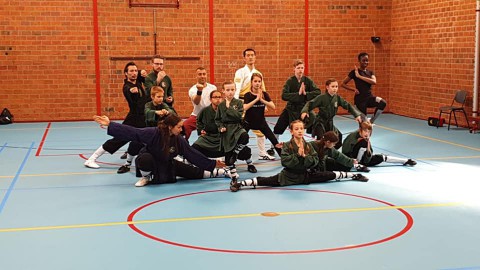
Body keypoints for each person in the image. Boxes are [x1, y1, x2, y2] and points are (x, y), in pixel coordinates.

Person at [230, 120, 368, 192]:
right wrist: (298, 156)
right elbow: (285, 162)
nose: (300, 131)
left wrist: (305, 157)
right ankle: (241, 184)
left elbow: (314, 161)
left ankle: (354, 175)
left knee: (329, 175)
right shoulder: (287, 146)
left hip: (306, 176)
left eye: (301, 128)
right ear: (291, 131)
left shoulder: (308, 146)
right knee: (266, 180)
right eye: (296, 129)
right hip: (289, 177)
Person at [92, 114, 227, 187]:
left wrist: (212, 164)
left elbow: (192, 155)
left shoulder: (178, 139)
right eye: (179, 127)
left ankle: (220, 173)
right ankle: (146, 177)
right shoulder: (153, 133)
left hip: (167, 163)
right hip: (150, 161)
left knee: (193, 172)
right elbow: (133, 132)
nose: (181, 130)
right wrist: (110, 124)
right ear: (170, 127)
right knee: (144, 159)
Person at [84, 62, 148, 173]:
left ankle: (128, 162)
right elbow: (129, 93)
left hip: (143, 118)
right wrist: (132, 92)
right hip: (133, 119)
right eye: (131, 71)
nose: (134, 73)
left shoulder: (138, 81)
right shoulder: (127, 87)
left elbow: (142, 77)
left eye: (135, 71)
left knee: (143, 140)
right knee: (118, 140)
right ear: (126, 74)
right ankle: (91, 159)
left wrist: (141, 71)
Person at [192, 90, 257, 173]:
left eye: (219, 97)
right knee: (195, 148)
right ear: (211, 99)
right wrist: (201, 130)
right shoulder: (205, 111)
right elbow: (198, 120)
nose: (218, 99)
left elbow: (238, 119)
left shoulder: (226, 109)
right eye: (215, 97)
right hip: (210, 137)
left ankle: (250, 164)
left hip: (226, 137)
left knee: (244, 149)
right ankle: (202, 164)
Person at [268, 59, 321, 155]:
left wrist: (305, 94)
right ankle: (273, 147)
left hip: (303, 110)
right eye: (298, 68)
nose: (300, 70)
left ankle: (308, 146)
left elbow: (318, 92)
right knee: (278, 127)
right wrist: (298, 94)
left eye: (302, 68)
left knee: (307, 126)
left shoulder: (308, 81)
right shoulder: (290, 81)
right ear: (294, 69)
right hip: (290, 109)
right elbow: (284, 95)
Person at [234, 48, 273, 160]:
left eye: (252, 55)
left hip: (256, 103)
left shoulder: (258, 73)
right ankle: (233, 153)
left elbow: (262, 89)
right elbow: (236, 89)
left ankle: (262, 153)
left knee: (260, 129)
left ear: (255, 57)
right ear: (244, 58)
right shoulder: (240, 72)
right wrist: (236, 104)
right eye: (248, 55)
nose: (250, 57)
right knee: (239, 129)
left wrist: (264, 104)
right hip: (243, 102)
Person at [301, 78, 362, 149]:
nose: (335, 88)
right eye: (332, 86)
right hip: (320, 123)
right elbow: (310, 104)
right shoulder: (321, 98)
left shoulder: (337, 98)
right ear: (327, 87)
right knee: (321, 140)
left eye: (336, 86)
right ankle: (318, 156)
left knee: (338, 137)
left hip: (330, 122)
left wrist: (356, 115)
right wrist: (304, 111)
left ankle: (331, 153)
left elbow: (348, 105)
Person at [215, 81, 250, 180]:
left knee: (245, 136)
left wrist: (229, 108)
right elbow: (217, 119)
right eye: (227, 90)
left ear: (235, 90)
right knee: (228, 160)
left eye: (232, 90)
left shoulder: (238, 102)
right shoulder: (221, 105)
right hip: (227, 131)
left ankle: (236, 153)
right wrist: (221, 127)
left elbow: (238, 115)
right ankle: (233, 173)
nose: (230, 92)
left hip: (237, 127)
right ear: (223, 91)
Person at [342, 121, 417, 167]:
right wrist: (351, 162)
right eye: (365, 131)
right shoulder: (352, 137)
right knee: (363, 142)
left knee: (381, 157)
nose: (367, 133)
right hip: (351, 160)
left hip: (363, 161)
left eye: (368, 132)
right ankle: (357, 164)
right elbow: (345, 152)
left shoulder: (366, 139)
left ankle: (405, 160)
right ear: (360, 130)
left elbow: (368, 157)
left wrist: (368, 145)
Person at [341, 52, 387, 124]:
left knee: (382, 103)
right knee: (363, 124)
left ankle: (371, 120)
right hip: (360, 100)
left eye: (367, 60)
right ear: (359, 61)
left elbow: (374, 82)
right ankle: (362, 132)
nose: (366, 62)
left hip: (369, 98)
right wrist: (353, 89)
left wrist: (359, 76)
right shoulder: (354, 72)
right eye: (363, 60)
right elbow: (343, 84)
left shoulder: (370, 72)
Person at [243, 73, 282, 156]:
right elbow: (245, 107)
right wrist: (256, 100)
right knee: (240, 140)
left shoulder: (264, 94)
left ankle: (283, 156)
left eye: (259, 81)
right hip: (248, 122)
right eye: (255, 81)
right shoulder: (247, 95)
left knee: (274, 140)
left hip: (261, 122)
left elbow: (273, 106)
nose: (257, 83)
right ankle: (232, 159)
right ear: (252, 82)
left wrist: (262, 100)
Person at [183, 67, 217, 141]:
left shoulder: (213, 88)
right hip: (197, 115)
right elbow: (196, 102)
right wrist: (199, 91)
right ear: (196, 76)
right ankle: (184, 144)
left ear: (206, 75)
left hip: (211, 116)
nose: (202, 76)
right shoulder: (192, 89)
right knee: (185, 126)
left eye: (204, 74)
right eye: (200, 74)